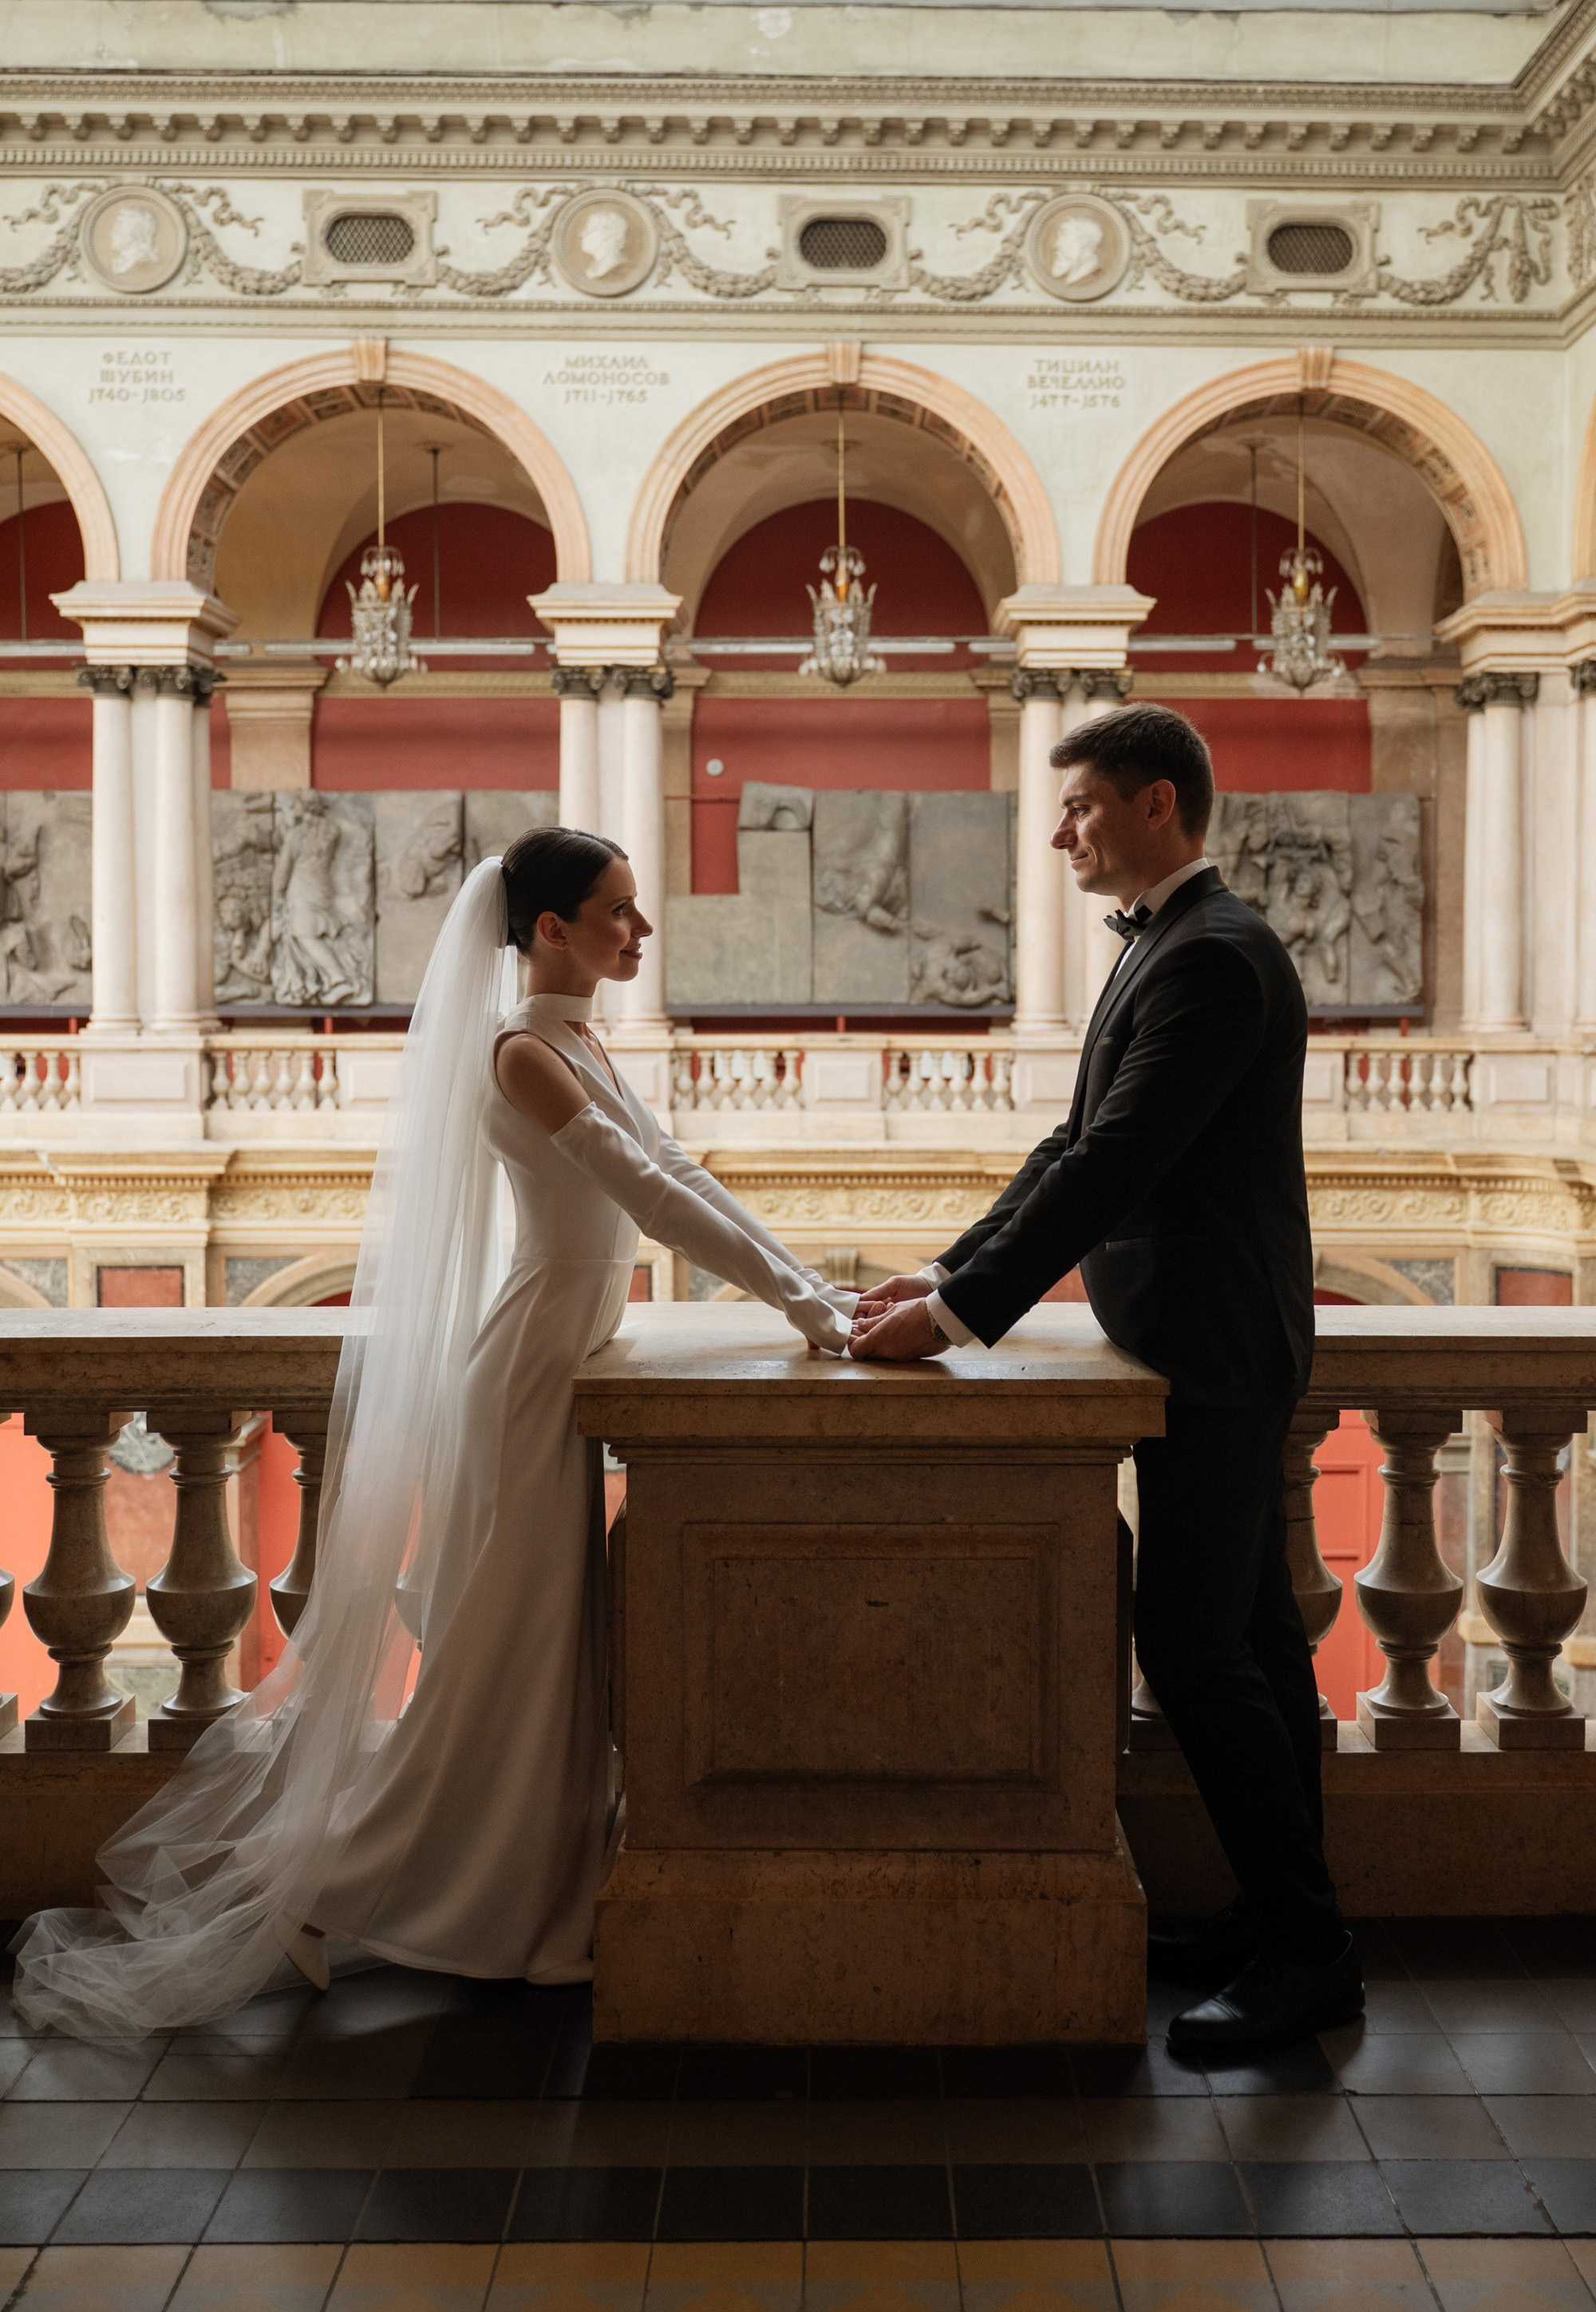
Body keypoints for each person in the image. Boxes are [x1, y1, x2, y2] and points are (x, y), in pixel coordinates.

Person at [13, 831, 855, 2041]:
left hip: (558, 1364)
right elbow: (644, 1191)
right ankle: (341, 1890)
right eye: (619, 911)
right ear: (550, 929)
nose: (643, 932)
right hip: (523, 1379)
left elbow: (684, 1173)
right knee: (508, 1662)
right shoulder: (519, 1053)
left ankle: (517, 1911)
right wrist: (808, 1307)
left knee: (539, 1665)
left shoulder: (578, 1040)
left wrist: (818, 1291)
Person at [849, 703, 1361, 2055]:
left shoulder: (1215, 958)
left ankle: (1308, 1953)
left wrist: (963, 1315)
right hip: (1201, 1345)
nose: (1062, 832)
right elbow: (1069, 1143)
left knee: (1197, 1649)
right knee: (1250, 1644)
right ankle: (1279, 1917)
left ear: (1156, 806)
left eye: (1079, 806)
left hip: (1216, 1353)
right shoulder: (1179, 948)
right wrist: (941, 1274)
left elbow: (1115, 1166)